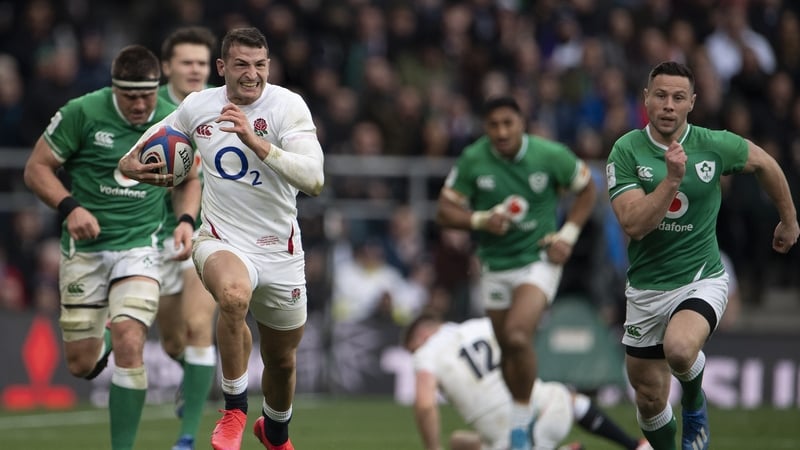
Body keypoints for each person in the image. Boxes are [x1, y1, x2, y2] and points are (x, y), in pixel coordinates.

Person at [119, 27, 324, 450]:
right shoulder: (199, 106)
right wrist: (130, 163)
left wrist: (255, 141)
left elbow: (315, 179)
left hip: (280, 251)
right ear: (222, 67)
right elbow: (146, 144)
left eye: (260, 65)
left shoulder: (288, 107)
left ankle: (274, 430)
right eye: (241, 65)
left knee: (282, 360)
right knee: (232, 296)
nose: (252, 74)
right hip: (220, 238)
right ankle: (233, 410)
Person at [605, 61, 799, 450]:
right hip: (646, 289)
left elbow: (765, 163)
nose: (668, 105)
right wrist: (672, 179)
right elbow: (634, 224)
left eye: (678, 97)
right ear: (646, 98)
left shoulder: (712, 143)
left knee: (679, 350)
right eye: (660, 95)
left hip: (701, 279)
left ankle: (694, 402)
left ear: (692, 102)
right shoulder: (626, 150)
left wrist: (789, 221)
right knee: (648, 397)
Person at [23, 45, 199, 450]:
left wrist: (186, 221)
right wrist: (70, 207)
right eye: (129, 96)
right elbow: (36, 168)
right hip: (85, 250)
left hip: (141, 247)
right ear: (113, 88)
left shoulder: (173, 118)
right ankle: (99, 336)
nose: (139, 105)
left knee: (131, 339)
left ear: (158, 88)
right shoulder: (82, 112)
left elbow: (191, 177)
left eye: (146, 95)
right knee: (82, 364)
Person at [436, 96, 596, 450]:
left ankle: (520, 429)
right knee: (508, 348)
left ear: (523, 123)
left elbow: (587, 189)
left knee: (518, 335)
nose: (501, 131)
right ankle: (524, 420)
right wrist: (480, 219)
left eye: (508, 123)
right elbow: (445, 211)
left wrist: (566, 236)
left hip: (537, 259)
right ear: (485, 128)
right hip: (494, 266)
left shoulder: (550, 155)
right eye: (493, 125)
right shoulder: (474, 159)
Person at [404, 314, 651, 450]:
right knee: (460, 443)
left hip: (512, 433)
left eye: (411, 348)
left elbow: (425, 405)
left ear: (422, 335)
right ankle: (636, 445)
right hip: (550, 408)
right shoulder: (481, 325)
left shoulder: (426, 352)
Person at [157, 25, 219, 450]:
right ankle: (190, 380)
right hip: (154, 236)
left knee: (199, 327)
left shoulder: (222, 105)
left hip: (208, 232)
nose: (196, 70)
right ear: (167, 67)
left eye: (202, 62)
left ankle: (188, 436)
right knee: (173, 340)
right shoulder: (148, 107)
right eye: (187, 63)